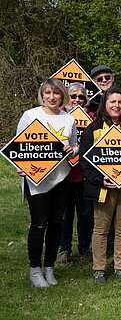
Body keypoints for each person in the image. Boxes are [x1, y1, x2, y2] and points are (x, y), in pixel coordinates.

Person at [80, 87, 121, 283]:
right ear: (105, 104)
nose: (116, 106)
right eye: (113, 102)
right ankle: (99, 268)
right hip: (103, 189)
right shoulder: (93, 130)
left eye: (120, 102)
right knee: (100, 229)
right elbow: (85, 162)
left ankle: (120, 267)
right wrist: (100, 180)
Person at [17, 79, 78, 287]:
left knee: (57, 223)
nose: (52, 97)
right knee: (39, 224)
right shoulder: (30, 116)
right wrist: (21, 165)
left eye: (57, 93)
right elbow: (19, 147)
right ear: (42, 95)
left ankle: (49, 268)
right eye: (48, 93)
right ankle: (35, 270)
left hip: (61, 178)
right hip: (37, 181)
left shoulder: (69, 119)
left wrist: (73, 150)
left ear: (62, 96)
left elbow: (75, 146)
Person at [56, 83, 94, 264]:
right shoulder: (58, 118)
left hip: (85, 175)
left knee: (85, 215)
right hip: (64, 175)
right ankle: (64, 250)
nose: (77, 100)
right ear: (67, 98)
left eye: (81, 97)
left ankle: (84, 249)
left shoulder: (92, 118)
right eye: (73, 96)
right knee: (65, 215)